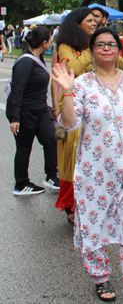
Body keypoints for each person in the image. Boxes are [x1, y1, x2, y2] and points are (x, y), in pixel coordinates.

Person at [52, 27, 123, 303]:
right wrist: (66, 92)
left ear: (119, 49)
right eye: (99, 45)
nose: (106, 49)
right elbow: (71, 123)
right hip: (94, 173)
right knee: (94, 227)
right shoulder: (83, 83)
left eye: (111, 44)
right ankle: (100, 279)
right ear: (92, 51)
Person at [54, 7, 123, 226]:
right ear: (77, 23)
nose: (94, 23)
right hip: (74, 107)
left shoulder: (101, 46)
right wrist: (93, 47)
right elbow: (73, 68)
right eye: (89, 20)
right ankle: (71, 205)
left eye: (95, 20)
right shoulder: (66, 47)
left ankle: (102, 200)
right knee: (75, 159)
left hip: (99, 108)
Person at [6, 27, 59, 195]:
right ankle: (21, 184)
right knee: (24, 148)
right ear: (44, 43)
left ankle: (51, 175)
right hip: (24, 112)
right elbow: (17, 91)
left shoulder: (39, 57)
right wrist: (15, 118)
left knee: (51, 140)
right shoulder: (25, 61)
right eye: (50, 40)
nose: (50, 43)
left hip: (41, 109)